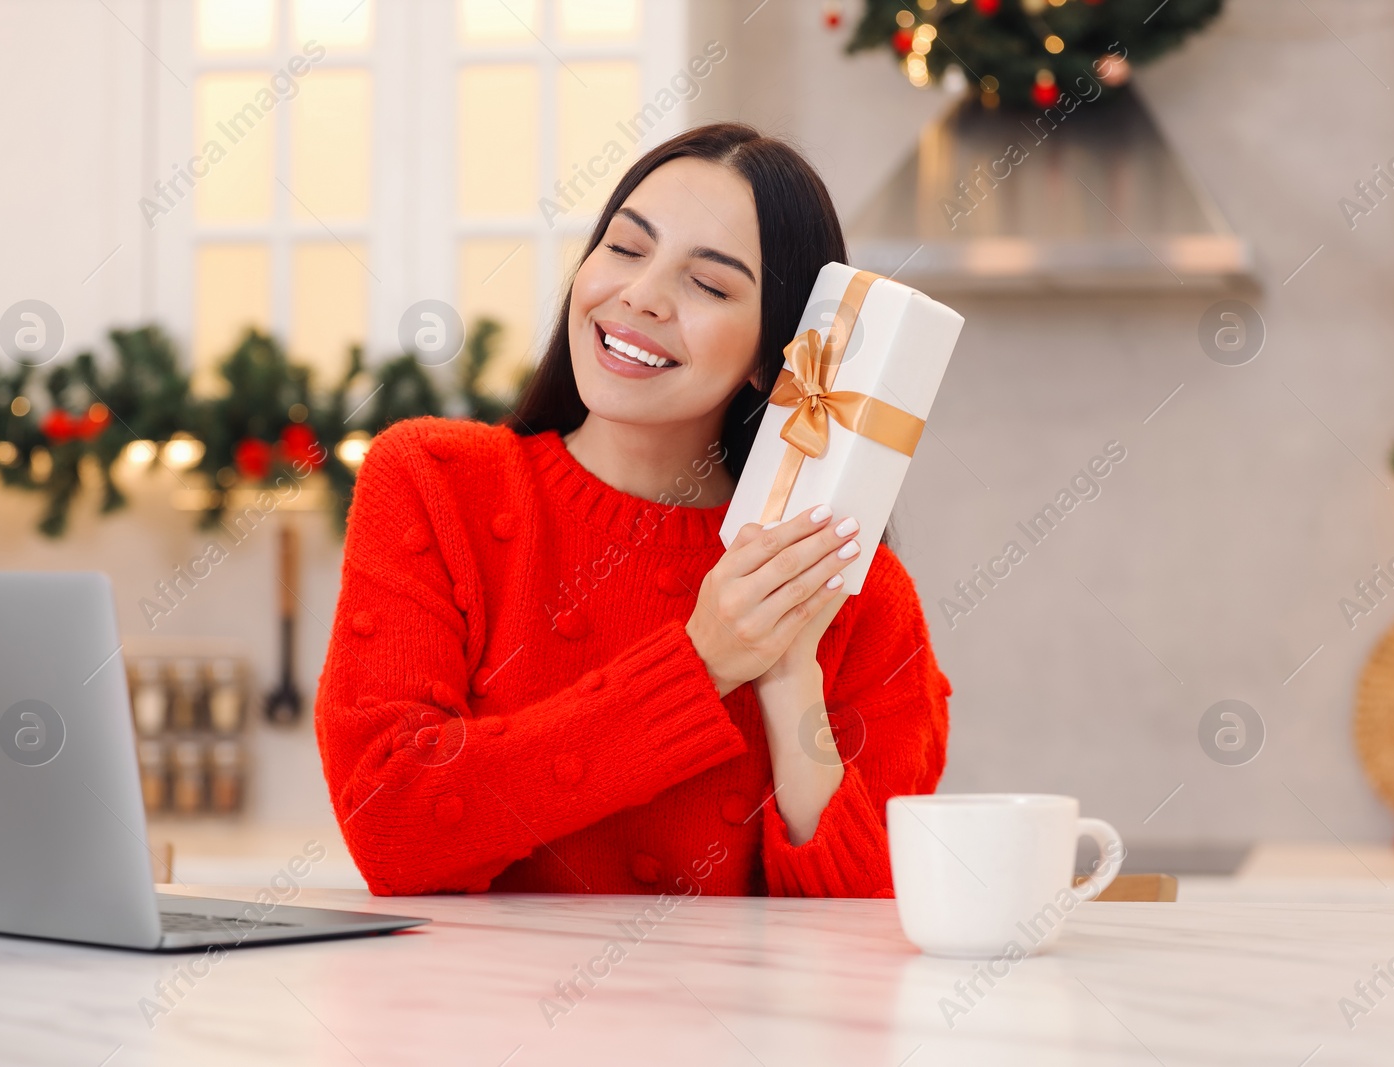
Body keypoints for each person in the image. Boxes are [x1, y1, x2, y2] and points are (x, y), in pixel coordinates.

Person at [314, 122, 950, 898]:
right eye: (624, 248)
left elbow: (863, 937)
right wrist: (703, 662)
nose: (641, 296)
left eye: (708, 285)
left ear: (772, 358)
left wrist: (788, 674)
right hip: (472, 1020)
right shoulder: (436, 482)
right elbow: (390, 826)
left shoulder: (856, 590)